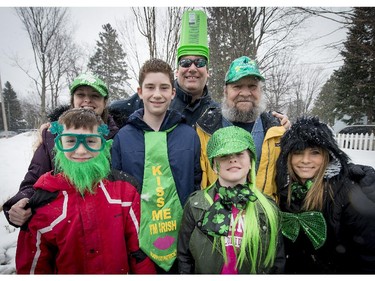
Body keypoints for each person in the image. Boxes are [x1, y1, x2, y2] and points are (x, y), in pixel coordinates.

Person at [15, 108, 156, 274]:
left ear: (103, 144)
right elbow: (33, 267)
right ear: (58, 144)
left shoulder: (125, 191)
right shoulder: (44, 201)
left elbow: (139, 251)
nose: (81, 151)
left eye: (90, 141)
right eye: (70, 141)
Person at [111, 58, 202, 273]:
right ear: (140, 91)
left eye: (164, 88)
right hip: (138, 241)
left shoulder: (189, 136)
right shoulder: (123, 137)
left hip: (182, 239)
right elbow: (116, 187)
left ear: (173, 92)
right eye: (150, 87)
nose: (157, 94)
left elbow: (197, 182)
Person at [3, 73, 119, 227]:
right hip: (63, 226)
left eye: (95, 95)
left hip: (108, 222)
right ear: (72, 100)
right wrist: (21, 203)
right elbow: (32, 182)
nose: (87, 100)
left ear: (105, 102)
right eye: (80, 94)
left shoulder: (118, 136)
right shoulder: (52, 136)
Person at [177, 126, 285, 274]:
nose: (233, 159)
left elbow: (276, 260)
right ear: (214, 165)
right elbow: (184, 256)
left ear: (250, 162)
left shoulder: (267, 207)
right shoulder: (196, 205)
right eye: (224, 155)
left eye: (240, 154)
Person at [276, 116, 375, 273]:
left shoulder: (348, 192)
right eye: (298, 152)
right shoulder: (284, 189)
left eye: (315, 153)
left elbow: (368, 255)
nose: (305, 160)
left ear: (328, 156)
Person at [196, 56, 290, 199]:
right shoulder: (204, 129)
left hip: (263, 216)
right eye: (237, 86)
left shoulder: (277, 131)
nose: (245, 93)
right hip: (216, 216)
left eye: (252, 86)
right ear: (225, 91)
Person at [108, 10, 219, 128]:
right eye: (185, 63)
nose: (192, 68)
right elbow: (113, 111)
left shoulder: (216, 114)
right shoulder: (155, 96)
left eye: (199, 62)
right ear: (177, 71)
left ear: (208, 72)